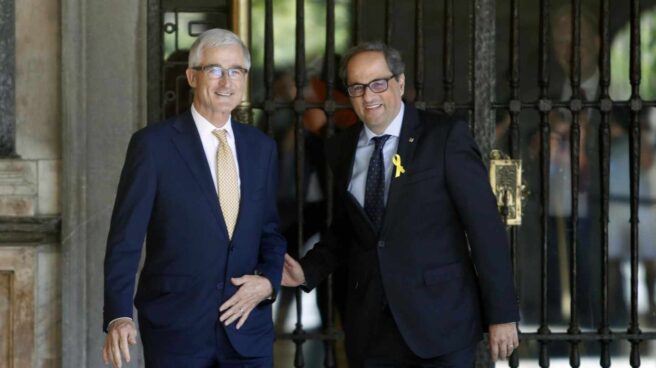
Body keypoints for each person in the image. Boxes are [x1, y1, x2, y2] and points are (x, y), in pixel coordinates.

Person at [282, 41, 519, 367]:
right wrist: (307, 270)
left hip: (441, 325)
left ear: (401, 83)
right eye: (357, 87)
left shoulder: (445, 138)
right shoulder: (340, 148)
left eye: (378, 83)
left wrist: (502, 315)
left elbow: (485, 230)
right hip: (371, 328)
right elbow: (347, 231)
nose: (369, 96)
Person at [102, 28, 286, 368]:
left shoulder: (262, 148)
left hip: (248, 329)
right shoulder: (153, 146)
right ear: (191, 76)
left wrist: (268, 283)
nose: (225, 82)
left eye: (236, 71)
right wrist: (118, 315)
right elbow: (125, 238)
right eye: (214, 69)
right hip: (176, 329)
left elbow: (270, 233)